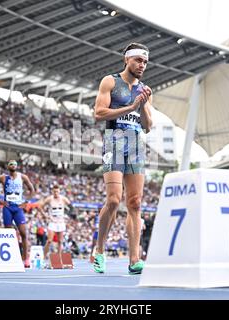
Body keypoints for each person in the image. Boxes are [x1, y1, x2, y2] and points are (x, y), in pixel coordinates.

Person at [93, 42, 153, 274]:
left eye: (145, 62)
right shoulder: (110, 81)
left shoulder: (145, 89)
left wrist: (144, 106)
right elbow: (99, 113)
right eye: (138, 60)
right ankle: (99, 250)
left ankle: (134, 259)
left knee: (135, 203)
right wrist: (131, 107)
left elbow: (148, 126)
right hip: (114, 142)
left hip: (136, 145)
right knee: (113, 200)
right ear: (126, 59)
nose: (142, 65)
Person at [0, 160, 35, 268]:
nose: (13, 165)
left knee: (23, 233)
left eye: (15, 164)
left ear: (17, 166)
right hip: (7, 207)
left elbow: (32, 190)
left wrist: (26, 202)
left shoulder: (23, 177)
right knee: (9, 234)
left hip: (18, 207)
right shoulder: (2, 178)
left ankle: (26, 259)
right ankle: (12, 258)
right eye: (11, 164)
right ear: (8, 166)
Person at [37, 185, 72, 267]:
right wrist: (45, 215)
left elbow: (71, 207)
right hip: (52, 222)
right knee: (49, 240)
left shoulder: (63, 199)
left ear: (59, 191)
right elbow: (40, 206)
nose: (56, 193)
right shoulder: (49, 199)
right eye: (54, 191)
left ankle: (59, 258)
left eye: (57, 191)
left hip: (61, 222)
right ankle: (43, 258)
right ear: (52, 192)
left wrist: (67, 216)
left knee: (60, 241)